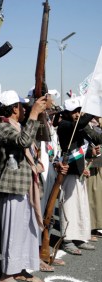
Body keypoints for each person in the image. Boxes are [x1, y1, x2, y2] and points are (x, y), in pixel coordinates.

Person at [0, 90, 48, 282]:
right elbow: (23, 142)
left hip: (28, 183)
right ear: (14, 108)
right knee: (13, 232)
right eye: (22, 106)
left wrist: (40, 112)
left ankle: (22, 269)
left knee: (28, 229)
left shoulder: (19, 124)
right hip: (14, 185)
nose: (25, 109)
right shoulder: (3, 126)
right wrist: (34, 113)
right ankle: (7, 275)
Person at [58, 97, 102, 254]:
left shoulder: (77, 127)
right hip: (68, 172)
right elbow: (80, 125)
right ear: (68, 113)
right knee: (69, 208)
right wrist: (92, 109)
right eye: (75, 112)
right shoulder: (64, 125)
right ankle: (67, 239)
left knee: (79, 207)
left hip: (79, 171)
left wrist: (90, 153)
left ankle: (79, 238)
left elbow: (86, 143)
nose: (77, 114)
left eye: (79, 111)